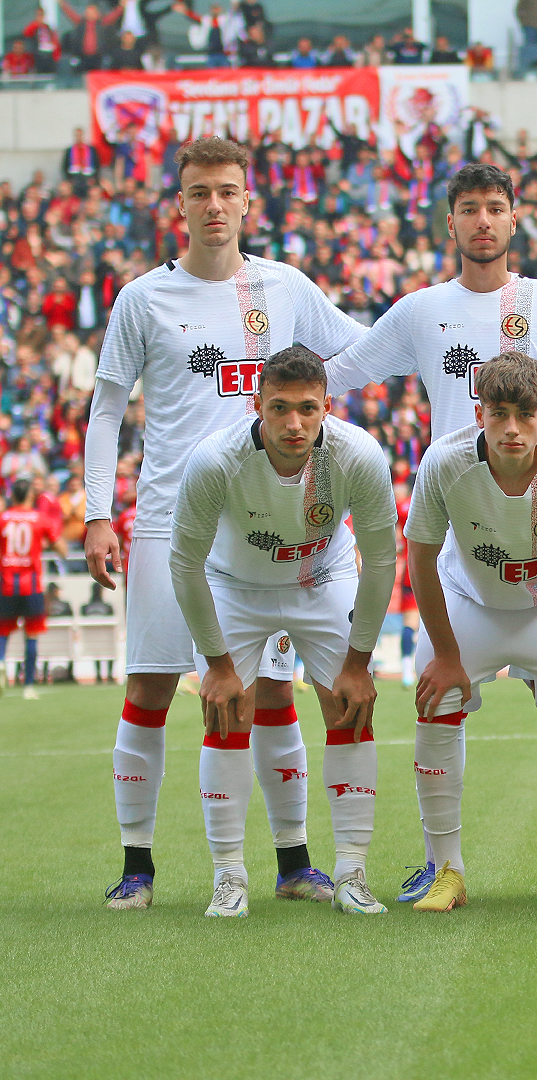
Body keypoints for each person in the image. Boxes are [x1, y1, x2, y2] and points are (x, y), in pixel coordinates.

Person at [321, 161, 537, 903]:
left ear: (514, 221)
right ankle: (442, 865)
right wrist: (251, 387)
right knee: (433, 700)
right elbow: (341, 372)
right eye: (468, 209)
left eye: (495, 209)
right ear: (450, 224)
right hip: (461, 545)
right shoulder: (420, 312)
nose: (482, 221)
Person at [85, 136, 365, 912]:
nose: (214, 205)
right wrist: (96, 511)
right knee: (147, 687)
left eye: (228, 191)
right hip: (170, 522)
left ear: (249, 202)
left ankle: (294, 863)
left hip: (263, 529)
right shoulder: (143, 298)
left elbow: (360, 352)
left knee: (269, 692)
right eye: (200, 191)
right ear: (180, 203)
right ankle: (136, 868)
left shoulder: (287, 289)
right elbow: (107, 409)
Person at [169, 345, 397, 918]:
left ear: (326, 407)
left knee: (350, 707)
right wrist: (218, 667)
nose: (294, 424)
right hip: (234, 586)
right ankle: (229, 878)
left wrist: (359, 662)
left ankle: (351, 874)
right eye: (279, 409)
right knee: (227, 713)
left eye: (307, 409)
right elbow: (184, 564)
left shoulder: (359, 456)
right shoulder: (214, 460)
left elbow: (382, 559)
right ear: (257, 404)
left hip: (322, 580)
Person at [403, 353, 537, 911]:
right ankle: (445, 868)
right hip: (469, 600)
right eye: (499, 414)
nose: (512, 428)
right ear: (480, 414)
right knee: (436, 700)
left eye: (525, 414)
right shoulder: (444, 462)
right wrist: (446, 656)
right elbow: (419, 556)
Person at [0, 478, 67, 699]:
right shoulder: (40, 519)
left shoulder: (3, 518)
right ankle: (28, 686)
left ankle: (1, 664)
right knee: (32, 635)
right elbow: (62, 550)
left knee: (2, 632)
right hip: (31, 584)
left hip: (6, 583)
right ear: (30, 495)